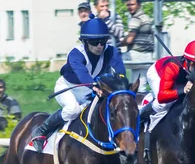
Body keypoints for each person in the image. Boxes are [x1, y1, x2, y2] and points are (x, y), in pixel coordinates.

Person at [30, 15, 127, 153]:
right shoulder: (75, 54)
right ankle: (41, 130)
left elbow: (119, 70)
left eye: (103, 41)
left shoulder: (111, 51)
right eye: (95, 41)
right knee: (73, 110)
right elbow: (82, 74)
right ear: (85, 41)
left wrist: (122, 83)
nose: (100, 45)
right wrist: (93, 85)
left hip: (90, 90)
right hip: (68, 87)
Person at [140, 35, 195, 133]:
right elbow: (162, 96)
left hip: (178, 80)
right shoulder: (172, 68)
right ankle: (142, 113)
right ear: (190, 63)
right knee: (164, 104)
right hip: (157, 73)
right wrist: (183, 90)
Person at [120, 0, 154, 92]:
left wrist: (119, 42)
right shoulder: (146, 17)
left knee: (112, 60)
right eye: (128, 5)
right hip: (147, 56)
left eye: (132, 4)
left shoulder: (136, 18)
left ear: (138, 5)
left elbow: (129, 39)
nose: (130, 7)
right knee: (140, 86)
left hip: (137, 54)